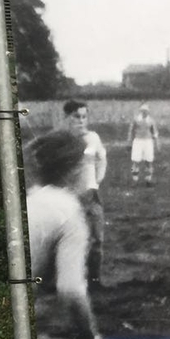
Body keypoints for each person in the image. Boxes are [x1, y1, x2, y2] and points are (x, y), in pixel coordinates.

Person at [24, 130, 104, 339]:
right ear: (75, 170)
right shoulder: (69, 211)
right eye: (85, 165)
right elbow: (71, 289)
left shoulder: (31, 198)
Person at [63, 99, 107, 290]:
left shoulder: (93, 138)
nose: (81, 120)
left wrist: (97, 181)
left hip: (92, 196)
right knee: (70, 242)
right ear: (67, 118)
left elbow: (102, 159)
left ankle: (94, 281)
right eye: (76, 116)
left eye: (84, 116)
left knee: (97, 239)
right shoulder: (61, 140)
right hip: (70, 199)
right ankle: (65, 281)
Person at [127, 102, 159, 185]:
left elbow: (155, 133)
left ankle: (148, 180)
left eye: (146, 111)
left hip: (148, 142)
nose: (144, 112)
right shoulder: (136, 119)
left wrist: (157, 143)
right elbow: (131, 131)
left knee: (148, 161)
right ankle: (134, 179)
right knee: (135, 161)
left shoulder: (151, 120)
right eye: (143, 110)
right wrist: (129, 142)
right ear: (140, 111)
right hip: (138, 141)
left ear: (148, 111)